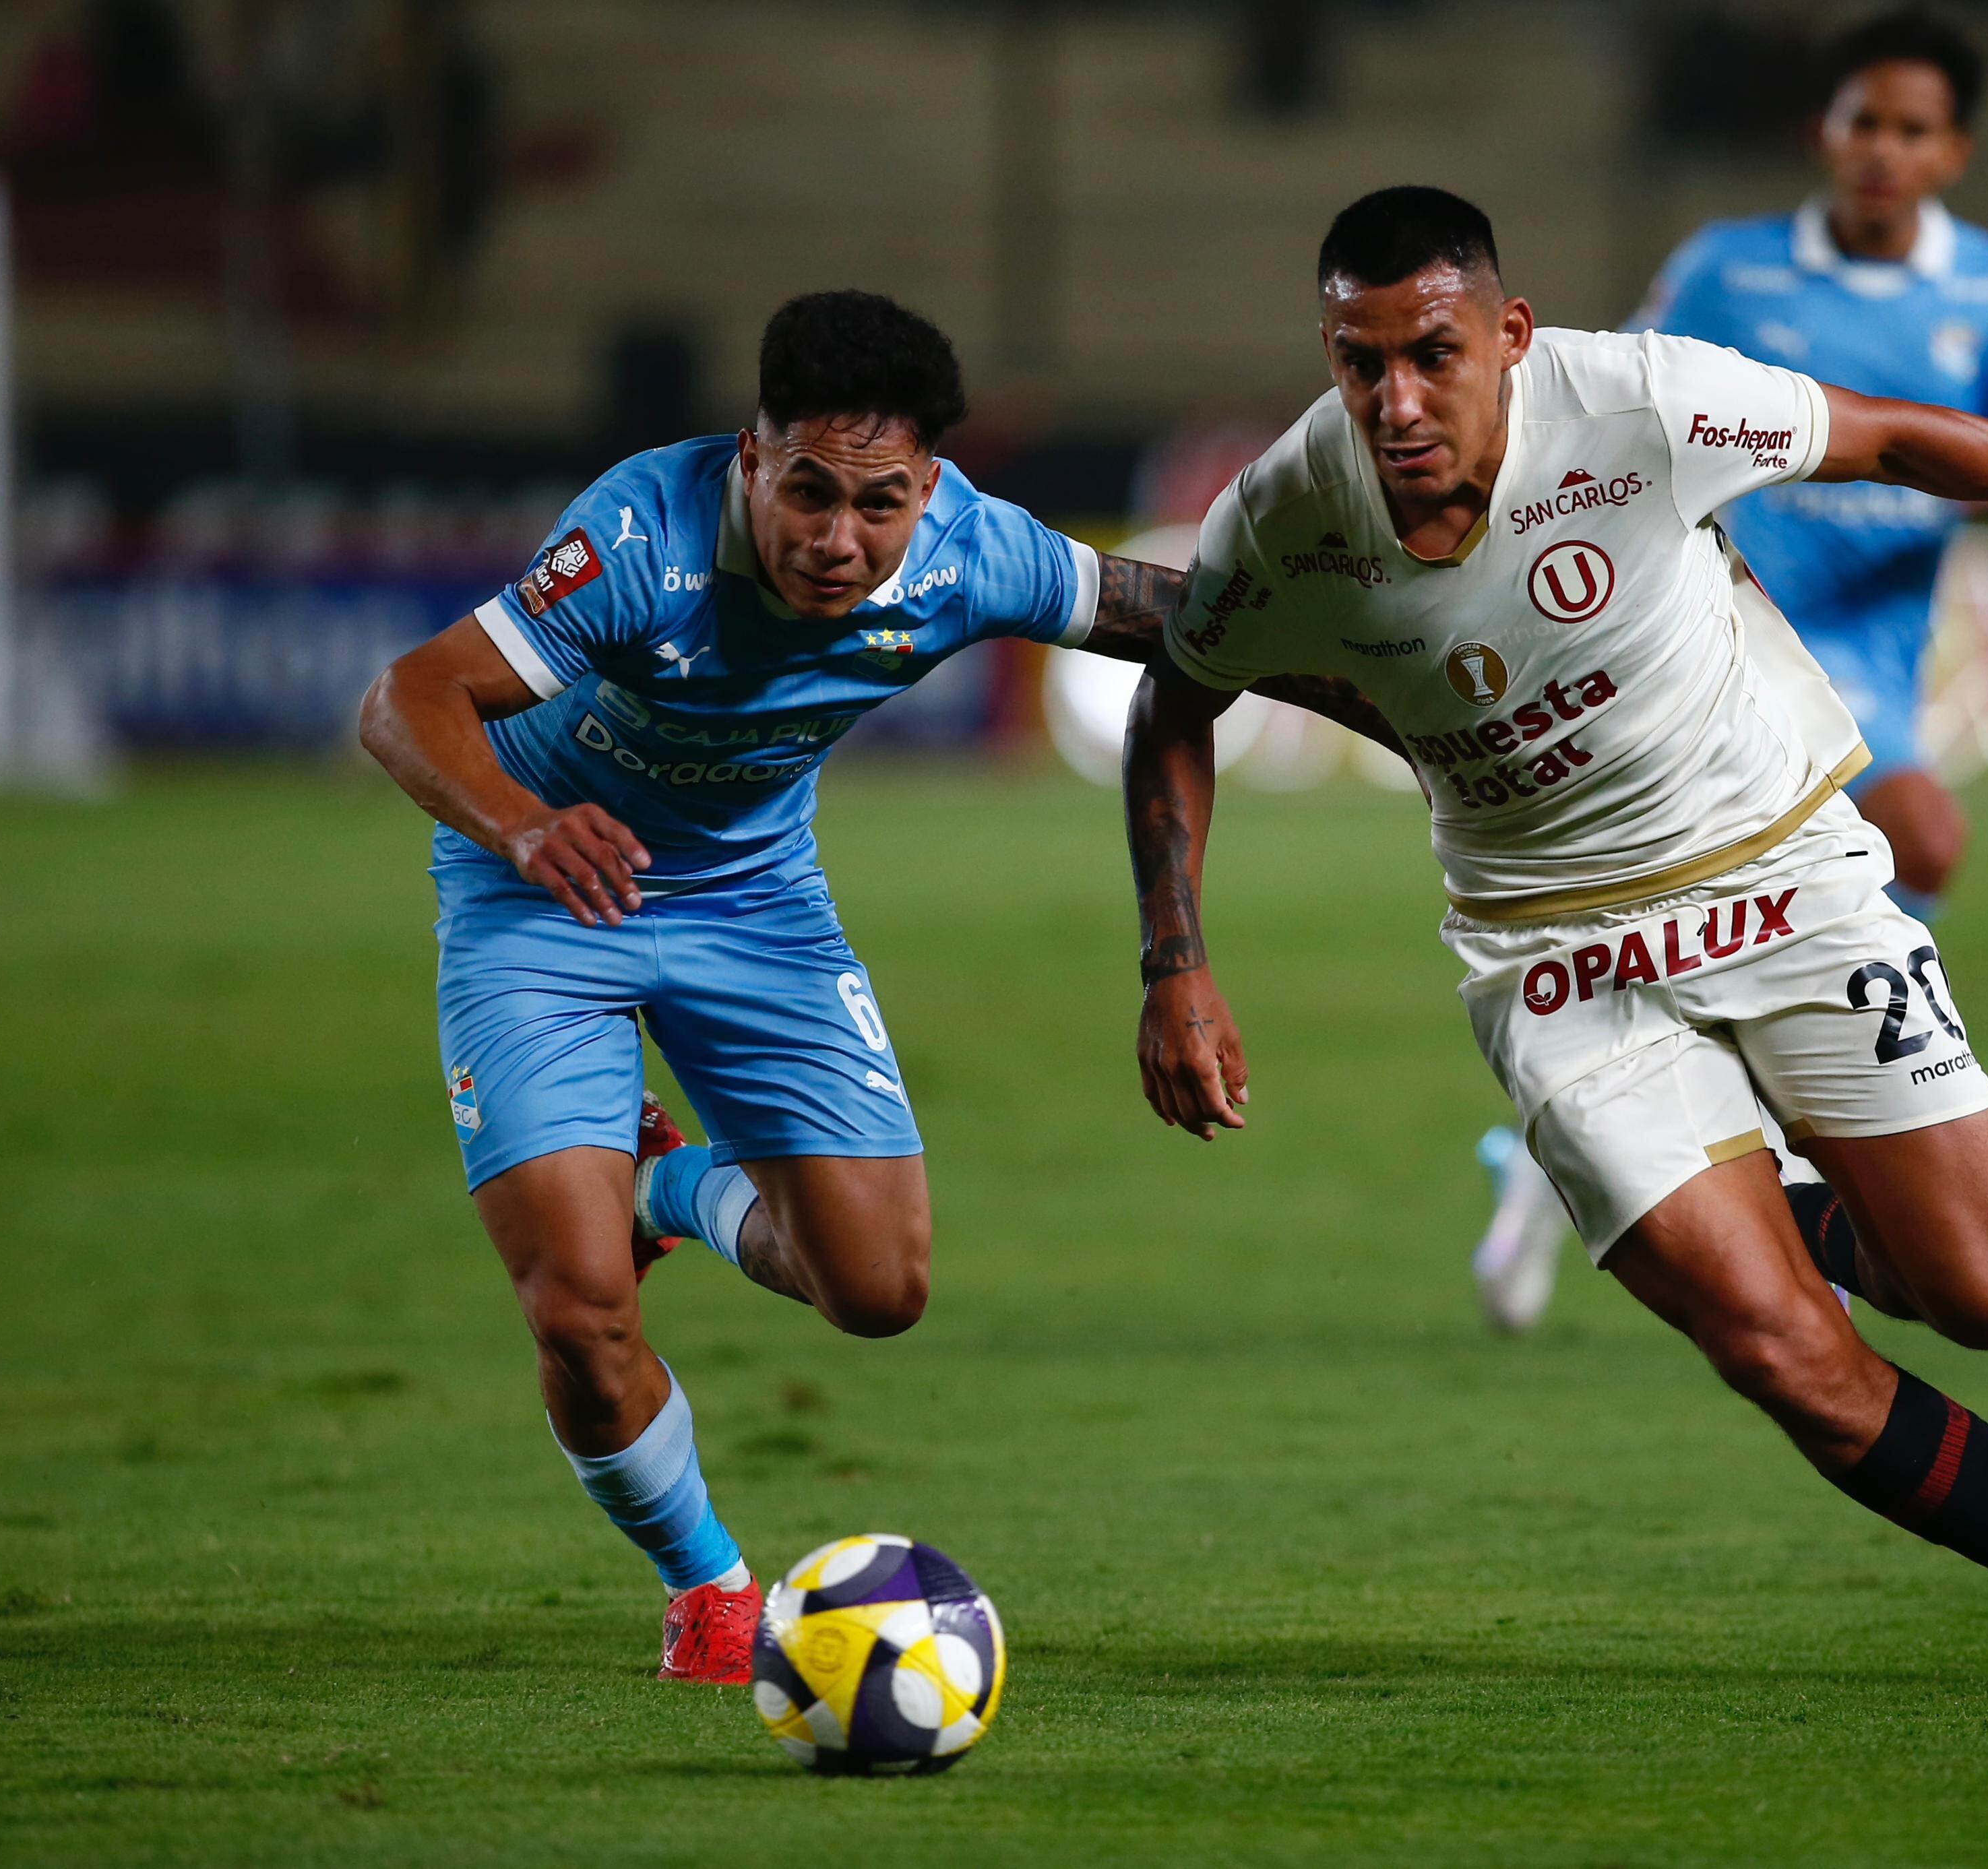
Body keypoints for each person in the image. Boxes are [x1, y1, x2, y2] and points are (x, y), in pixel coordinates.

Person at [1124, 187, 1988, 1694]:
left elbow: (1886, 434)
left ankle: (1753, 1182)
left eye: (1433, 352)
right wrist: (1175, 960)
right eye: (1360, 362)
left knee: (1983, 1295)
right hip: (1553, 958)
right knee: (1780, 1350)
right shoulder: (1286, 513)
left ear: (1509, 334)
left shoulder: (1639, 402)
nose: (1396, 400)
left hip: (1782, 876)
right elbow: (1174, 694)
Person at [360, 290, 1389, 1684]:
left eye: (880, 502)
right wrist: (521, 826)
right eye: (809, 493)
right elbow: (407, 696)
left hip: (753, 904)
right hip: (545, 897)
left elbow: (1201, 630)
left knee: (878, 1289)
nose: (839, 539)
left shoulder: (973, 553)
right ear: (750, 456)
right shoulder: (635, 540)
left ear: (929, 489)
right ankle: (710, 1582)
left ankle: (667, 1185)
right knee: (581, 1315)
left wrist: (1441, 702)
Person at [1471, 11, 1988, 1331]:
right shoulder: (1725, 271)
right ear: (1826, 130)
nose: (1881, 150)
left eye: (1912, 129)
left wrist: (1928, 480)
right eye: (1863, 121)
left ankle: (1596, 1140)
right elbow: (1608, 406)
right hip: (1713, 638)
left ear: (1954, 152)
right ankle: (1804, 1132)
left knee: (1888, 857)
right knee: (1919, 830)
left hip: (1871, 652)